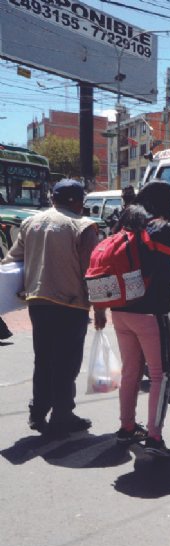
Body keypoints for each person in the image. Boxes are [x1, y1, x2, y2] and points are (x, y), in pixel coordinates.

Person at [1, 178, 105, 435]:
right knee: (66, 363)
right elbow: (92, 271)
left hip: (38, 303)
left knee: (44, 359)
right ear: (78, 201)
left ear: (52, 199)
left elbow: (11, 259)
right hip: (70, 305)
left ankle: (37, 413)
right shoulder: (82, 226)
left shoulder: (31, 222)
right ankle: (62, 415)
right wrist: (101, 308)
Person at [110, 180, 170, 457]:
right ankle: (154, 438)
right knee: (160, 375)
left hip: (120, 310)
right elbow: (166, 272)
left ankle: (127, 428)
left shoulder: (125, 220)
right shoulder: (161, 228)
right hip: (150, 311)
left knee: (130, 371)